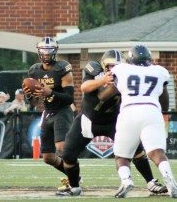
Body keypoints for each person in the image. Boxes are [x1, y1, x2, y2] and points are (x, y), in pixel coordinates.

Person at [56, 49, 167, 197]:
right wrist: (103, 81)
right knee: (68, 154)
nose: (112, 69)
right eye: (109, 65)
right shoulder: (94, 69)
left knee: (136, 151)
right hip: (89, 119)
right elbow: (84, 87)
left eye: (116, 65)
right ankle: (74, 187)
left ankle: (151, 182)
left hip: (114, 121)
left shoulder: (127, 75)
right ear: (103, 65)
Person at [98, 45, 177, 198]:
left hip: (129, 111)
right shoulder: (159, 71)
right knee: (156, 152)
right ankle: (170, 178)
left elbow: (103, 96)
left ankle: (126, 181)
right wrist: (161, 113)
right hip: (152, 111)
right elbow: (165, 100)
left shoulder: (121, 70)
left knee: (122, 155)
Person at [22, 37, 74, 186]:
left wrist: (50, 92)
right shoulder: (34, 70)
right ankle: (74, 175)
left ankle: (73, 180)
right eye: (43, 51)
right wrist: (29, 94)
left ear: (55, 51)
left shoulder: (62, 68)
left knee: (61, 147)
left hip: (62, 111)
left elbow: (69, 98)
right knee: (48, 157)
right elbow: (32, 102)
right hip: (48, 112)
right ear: (39, 52)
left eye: (49, 51)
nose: (45, 54)